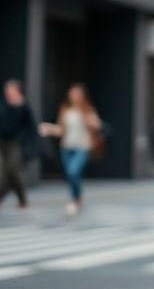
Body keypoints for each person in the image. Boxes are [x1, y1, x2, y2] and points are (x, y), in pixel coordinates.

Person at [38, 83, 102, 217]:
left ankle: (75, 199)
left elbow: (97, 125)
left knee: (73, 171)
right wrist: (48, 128)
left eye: (77, 93)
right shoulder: (65, 110)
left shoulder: (87, 109)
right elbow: (61, 130)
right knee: (70, 174)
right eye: (72, 93)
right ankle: (77, 197)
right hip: (67, 147)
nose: (74, 96)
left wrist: (91, 121)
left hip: (82, 147)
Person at [0, 80, 38, 212]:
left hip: (16, 144)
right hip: (2, 142)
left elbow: (30, 127)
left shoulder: (23, 106)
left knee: (13, 170)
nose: (8, 93)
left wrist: (25, 141)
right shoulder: (3, 104)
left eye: (11, 90)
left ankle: (22, 199)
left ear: (17, 91)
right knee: (3, 172)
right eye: (7, 90)